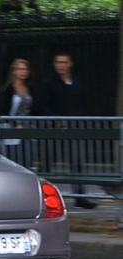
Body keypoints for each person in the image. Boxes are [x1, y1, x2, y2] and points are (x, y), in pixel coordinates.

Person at [39, 52, 96, 209]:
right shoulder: (49, 83)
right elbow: (42, 105)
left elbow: (80, 103)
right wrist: (55, 119)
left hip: (74, 128)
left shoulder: (76, 81)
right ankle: (42, 197)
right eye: (58, 62)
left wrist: (78, 118)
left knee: (77, 162)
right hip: (55, 129)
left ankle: (80, 196)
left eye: (64, 62)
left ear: (70, 63)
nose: (61, 65)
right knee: (48, 163)